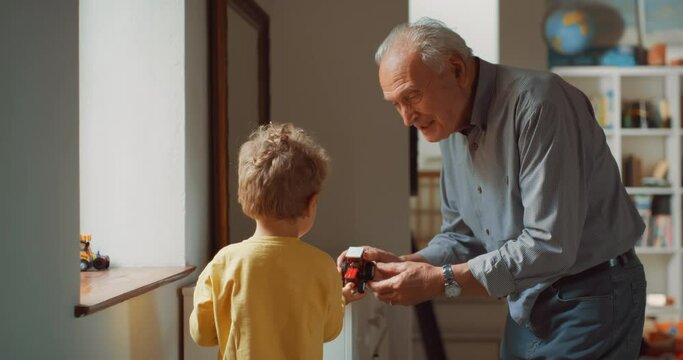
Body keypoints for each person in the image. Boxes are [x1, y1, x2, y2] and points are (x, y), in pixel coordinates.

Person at [344, 17, 647, 358]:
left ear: (456, 70)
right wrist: (406, 265)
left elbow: (549, 246)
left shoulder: (540, 103)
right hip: (527, 300)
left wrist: (440, 279)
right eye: (395, 104)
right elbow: (461, 238)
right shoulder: (448, 123)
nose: (406, 117)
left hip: (593, 296)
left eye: (411, 96)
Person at [191, 123, 363, 359]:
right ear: (311, 203)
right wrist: (340, 297)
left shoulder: (224, 262)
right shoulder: (322, 266)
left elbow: (202, 334)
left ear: (244, 198)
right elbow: (328, 331)